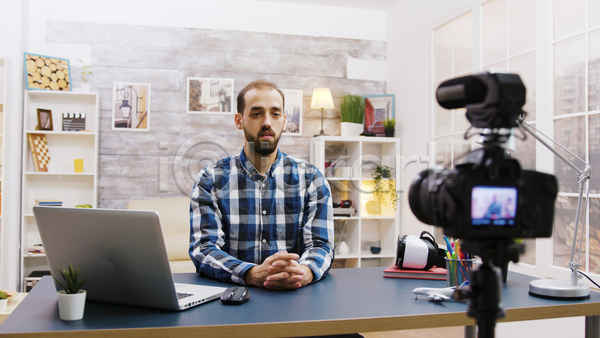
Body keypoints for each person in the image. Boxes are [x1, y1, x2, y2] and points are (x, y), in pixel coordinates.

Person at [189, 80, 334, 290]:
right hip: (231, 299)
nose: (267, 122)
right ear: (239, 120)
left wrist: (303, 273)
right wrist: (251, 273)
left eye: (275, 114)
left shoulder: (312, 178)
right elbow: (203, 248)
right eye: (257, 113)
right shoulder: (211, 179)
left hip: (296, 297)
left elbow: (321, 245)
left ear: (284, 121)